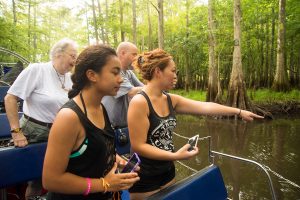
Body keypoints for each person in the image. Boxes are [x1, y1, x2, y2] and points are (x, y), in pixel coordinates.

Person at [127, 48, 264, 199]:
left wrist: (238, 112)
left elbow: (206, 107)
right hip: (144, 175)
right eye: (172, 71)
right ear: (158, 71)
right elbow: (138, 146)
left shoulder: (171, 100)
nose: (175, 76)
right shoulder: (139, 102)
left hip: (167, 170)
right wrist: (175, 156)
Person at [42, 44, 140, 200]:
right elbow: (51, 180)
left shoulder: (100, 108)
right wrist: (104, 184)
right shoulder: (69, 117)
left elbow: (93, 147)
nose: (121, 79)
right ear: (92, 75)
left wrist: (116, 158)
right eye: (115, 72)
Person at [4, 38, 78, 199]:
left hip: (60, 132)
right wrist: (16, 132)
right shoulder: (37, 70)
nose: (75, 60)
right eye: (72, 56)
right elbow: (10, 99)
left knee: (61, 175)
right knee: (36, 180)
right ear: (59, 53)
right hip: (35, 131)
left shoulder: (69, 78)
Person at [102, 41, 144, 129]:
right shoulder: (115, 73)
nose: (136, 58)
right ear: (123, 53)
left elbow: (143, 88)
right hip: (111, 128)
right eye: (134, 54)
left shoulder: (129, 73)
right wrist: (156, 86)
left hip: (123, 127)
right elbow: (132, 92)